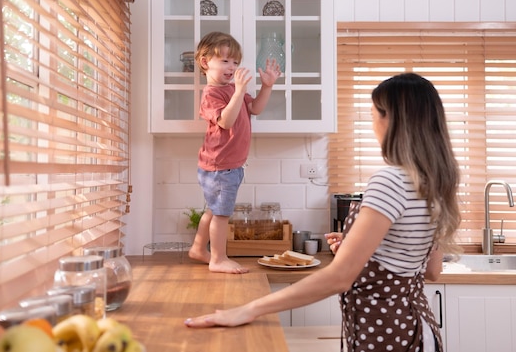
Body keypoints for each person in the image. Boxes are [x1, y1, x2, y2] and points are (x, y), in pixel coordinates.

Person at [184, 72, 461, 352]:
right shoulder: (431, 182)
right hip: (418, 330)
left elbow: (340, 277)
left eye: (373, 114)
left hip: (386, 334)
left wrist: (249, 309)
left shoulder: (390, 182)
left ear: (392, 120)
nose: (372, 122)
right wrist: (358, 251)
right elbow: (430, 268)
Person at [187, 31, 282, 274]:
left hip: (227, 165)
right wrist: (239, 91)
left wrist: (267, 86)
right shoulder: (212, 94)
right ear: (205, 62)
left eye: (235, 62)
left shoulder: (231, 89)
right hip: (220, 166)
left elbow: (255, 108)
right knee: (221, 214)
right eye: (225, 61)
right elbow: (226, 122)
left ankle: (199, 249)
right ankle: (218, 259)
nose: (232, 67)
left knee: (214, 209)